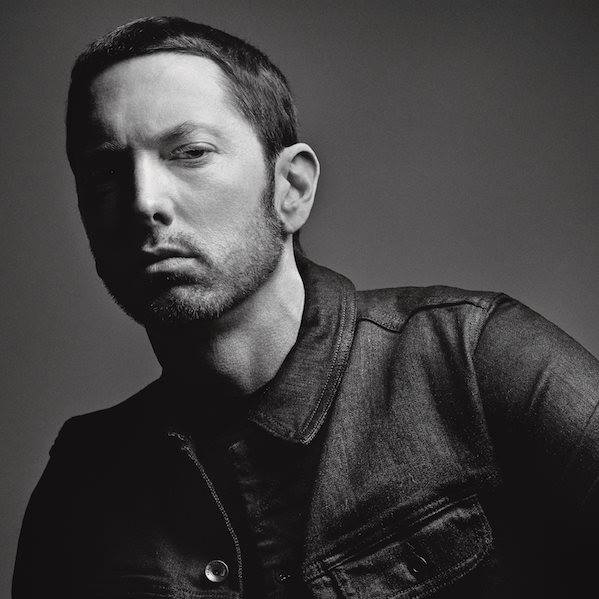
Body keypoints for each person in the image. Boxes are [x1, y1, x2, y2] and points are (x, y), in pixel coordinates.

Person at [13, 15, 599, 599]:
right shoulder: (81, 485)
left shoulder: (476, 360)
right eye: (105, 173)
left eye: (189, 153)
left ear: (291, 188)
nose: (143, 200)